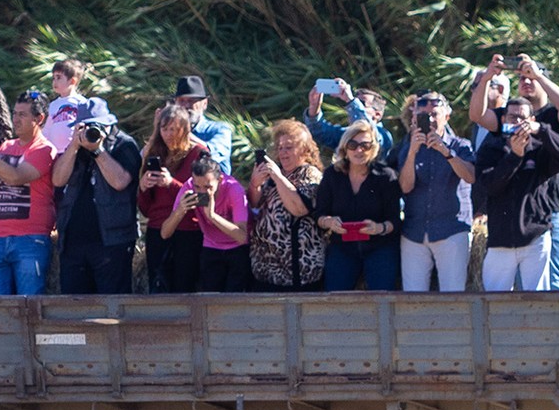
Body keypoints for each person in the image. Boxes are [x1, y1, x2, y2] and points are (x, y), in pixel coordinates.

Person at [469, 54, 559, 290]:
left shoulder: (551, 114)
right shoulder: (509, 114)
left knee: (554, 285)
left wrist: (537, 74)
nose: (526, 82)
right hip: (512, 215)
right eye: (522, 78)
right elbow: (477, 116)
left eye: (531, 78)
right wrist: (487, 77)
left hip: (550, 210)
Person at [0, 91, 57, 295]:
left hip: (30, 238)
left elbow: (15, 176)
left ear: (39, 119)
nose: (15, 119)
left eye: (22, 114)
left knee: (28, 304)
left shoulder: (44, 149)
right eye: (14, 113)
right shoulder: (6, 146)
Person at [393, 91, 476, 292]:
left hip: (452, 230)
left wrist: (446, 152)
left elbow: (471, 177)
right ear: (414, 119)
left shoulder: (461, 145)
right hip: (415, 231)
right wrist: (412, 152)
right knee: (413, 298)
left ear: (446, 117)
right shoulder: (407, 148)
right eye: (424, 115)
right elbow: (405, 187)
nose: (429, 120)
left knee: (453, 295)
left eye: (434, 115)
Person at [51, 108, 139, 296]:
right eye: (87, 127)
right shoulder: (75, 148)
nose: (92, 132)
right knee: (74, 308)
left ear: (108, 125)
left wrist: (98, 151)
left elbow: (120, 181)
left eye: (97, 126)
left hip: (112, 242)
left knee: (113, 306)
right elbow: (57, 180)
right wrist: (74, 146)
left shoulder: (124, 145)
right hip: (73, 242)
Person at [314, 123, 402, 291]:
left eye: (365, 145)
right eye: (352, 145)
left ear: (373, 148)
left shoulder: (386, 176)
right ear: (345, 149)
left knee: (382, 300)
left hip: (380, 247)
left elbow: (395, 221)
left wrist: (379, 228)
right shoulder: (332, 175)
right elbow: (319, 214)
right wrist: (329, 222)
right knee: (334, 297)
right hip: (342, 247)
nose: (359, 150)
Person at [138, 103, 207, 293]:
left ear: (185, 130)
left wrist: (172, 184)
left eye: (174, 129)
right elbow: (145, 209)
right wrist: (143, 188)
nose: (168, 134)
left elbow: (204, 200)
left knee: (185, 289)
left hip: (187, 231)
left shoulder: (199, 154)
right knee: (158, 288)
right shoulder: (154, 153)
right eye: (164, 129)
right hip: (157, 231)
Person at [248, 120, 324, 292]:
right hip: (266, 270)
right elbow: (254, 205)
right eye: (280, 147)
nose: (282, 153)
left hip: (297, 273)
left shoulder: (310, 174)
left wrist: (276, 175)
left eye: (289, 147)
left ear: (305, 149)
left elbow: (299, 208)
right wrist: (255, 185)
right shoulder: (276, 175)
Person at [161, 151, 249, 292]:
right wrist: (180, 210)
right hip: (211, 247)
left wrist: (212, 216)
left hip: (236, 249)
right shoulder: (189, 187)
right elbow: (165, 233)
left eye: (208, 188)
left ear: (220, 180)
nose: (203, 192)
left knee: (234, 298)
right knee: (210, 296)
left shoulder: (234, 189)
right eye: (198, 187)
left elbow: (242, 237)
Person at [173, 75, 234, 174]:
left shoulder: (219, 129)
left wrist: (184, 134)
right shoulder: (168, 131)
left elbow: (210, 154)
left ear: (204, 103)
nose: (186, 106)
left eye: (191, 101)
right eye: (181, 101)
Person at [45, 57, 103, 140]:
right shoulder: (53, 105)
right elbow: (47, 129)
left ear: (72, 81)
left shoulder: (81, 102)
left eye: (58, 77)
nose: (54, 81)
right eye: (53, 78)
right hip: (55, 150)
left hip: (75, 149)